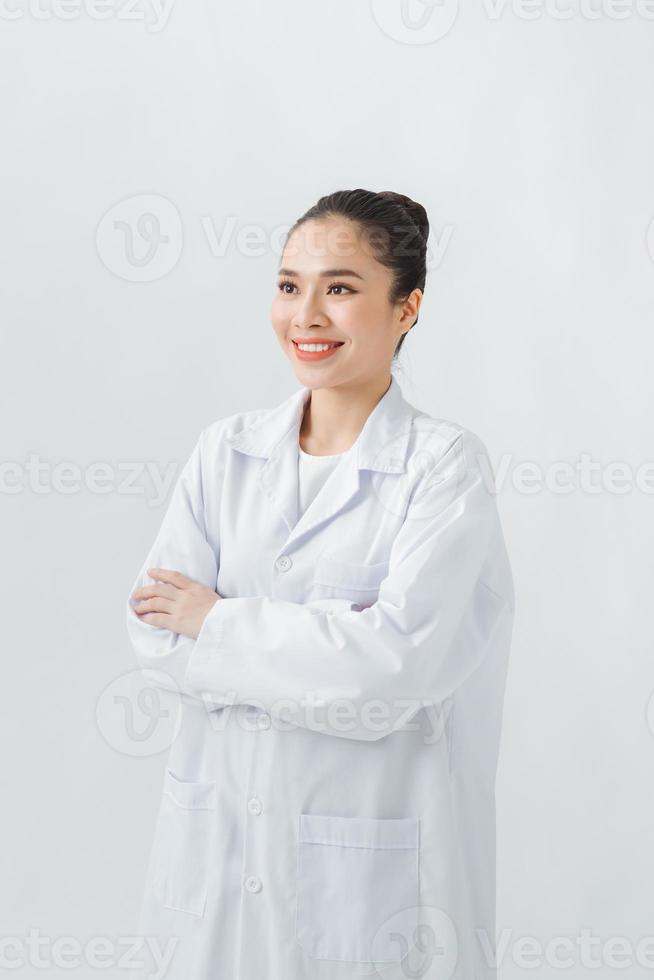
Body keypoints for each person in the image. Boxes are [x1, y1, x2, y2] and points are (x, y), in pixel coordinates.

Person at [126, 188, 515, 980]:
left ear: (406, 308)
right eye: (288, 285)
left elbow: (398, 669)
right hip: (220, 854)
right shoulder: (224, 452)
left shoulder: (444, 468)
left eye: (340, 288)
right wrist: (317, 652)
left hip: (372, 884)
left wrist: (222, 624)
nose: (306, 314)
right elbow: (156, 634)